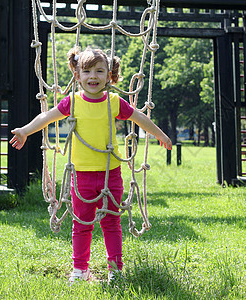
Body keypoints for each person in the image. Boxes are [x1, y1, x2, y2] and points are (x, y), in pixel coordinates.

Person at [10, 46, 172, 284]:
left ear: (109, 76)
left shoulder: (115, 102)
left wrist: (161, 135)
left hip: (110, 174)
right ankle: (80, 270)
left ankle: (115, 270)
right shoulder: (72, 103)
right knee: (82, 223)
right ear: (77, 75)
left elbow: (139, 117)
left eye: (99, 71)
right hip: (82, 176)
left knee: (111, 223)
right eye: (87, 71)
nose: (93, 77)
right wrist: (25, 130)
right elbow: (47, 117)